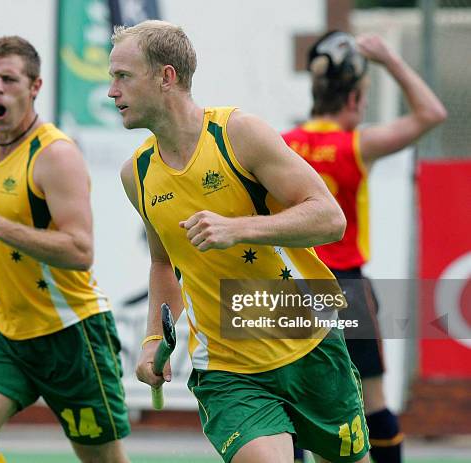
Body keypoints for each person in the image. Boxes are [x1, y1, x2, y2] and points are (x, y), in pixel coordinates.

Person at [109, 20, 372, 463]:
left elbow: (330, 218)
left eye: (123, 76)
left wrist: (238, 228)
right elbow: (162, 264)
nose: (112, 91)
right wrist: (155, 335)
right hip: (228, 369)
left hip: (309, 342)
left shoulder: (237, 133)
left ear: (166, 77)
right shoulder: (136, 174)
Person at [0, 36, 131, 463]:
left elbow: (79, 250)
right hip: (8, 331)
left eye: (9, 79)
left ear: (34, 87)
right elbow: (15, 242)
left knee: (102, 459)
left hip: (71, 333)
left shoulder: (56, 155)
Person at [282, 31, 447, 463]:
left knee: (285, 401)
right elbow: (432, 113)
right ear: (354, 98)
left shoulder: (281, 145)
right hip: (345, 289)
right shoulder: (356, 145)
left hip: (285, 286)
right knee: (372, 402)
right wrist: (390, 59)